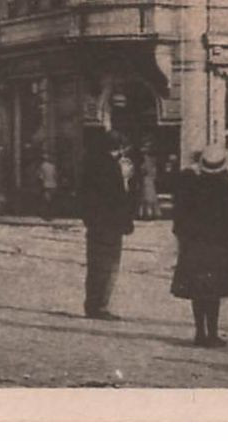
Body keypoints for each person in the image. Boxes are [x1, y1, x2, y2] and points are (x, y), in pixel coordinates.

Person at [171, 143, 228, 347]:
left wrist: (183, 239)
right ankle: (212, 334)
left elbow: (179, 217)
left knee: (197, 290)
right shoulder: (227, 187)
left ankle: (199, 333)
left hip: (193, 246)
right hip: (218, 247)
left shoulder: (189, 184)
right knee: (214, 292)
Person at [81, 131, 137, 320]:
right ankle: (100, 307)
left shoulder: (89, 163)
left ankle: (92, 304)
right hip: (110, 224)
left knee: (95, 265)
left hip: (95, 222)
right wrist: (126, 179)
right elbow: (119, 197)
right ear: (119, 148)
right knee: (108, 265)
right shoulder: (112, 167)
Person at [37, 151, 59, 219]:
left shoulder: (42, 166)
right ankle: (52, 215)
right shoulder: (53, 166)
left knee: (45, 201)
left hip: (46, 185)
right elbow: (56, 176)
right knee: (52, 200)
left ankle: (46, 215)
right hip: (53, 185)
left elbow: (40, 177)